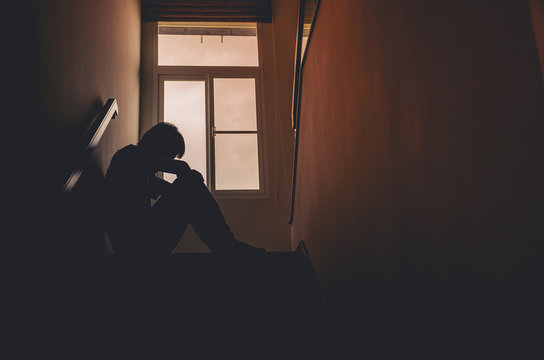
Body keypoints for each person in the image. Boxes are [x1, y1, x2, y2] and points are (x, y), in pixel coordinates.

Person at [103, 122, 265, 256]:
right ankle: (226, 245)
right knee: (190, 182)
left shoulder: (146, 175)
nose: (166, 161)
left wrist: (191, 186)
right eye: (167, 155)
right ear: (156, 141)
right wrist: (189, 177)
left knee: (190, 184)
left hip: (141, 242)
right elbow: (180, 172)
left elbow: (173, 192)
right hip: (136, 244)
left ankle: (225, 244)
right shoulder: (129, 155)